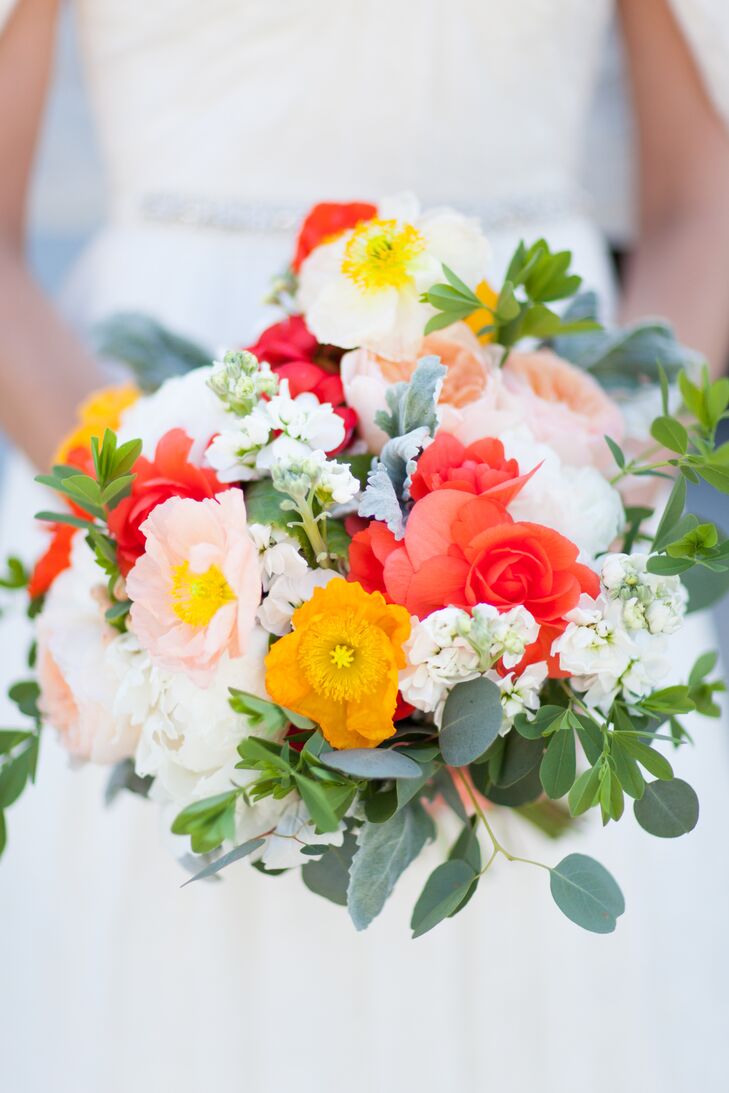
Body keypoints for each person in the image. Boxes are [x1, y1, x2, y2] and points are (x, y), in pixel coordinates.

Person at [1, 2, 729, 1090]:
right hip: (166, 421)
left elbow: (704, 199)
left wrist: (596, 489)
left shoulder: (577, 487)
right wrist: (146, 512)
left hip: (533, 427)